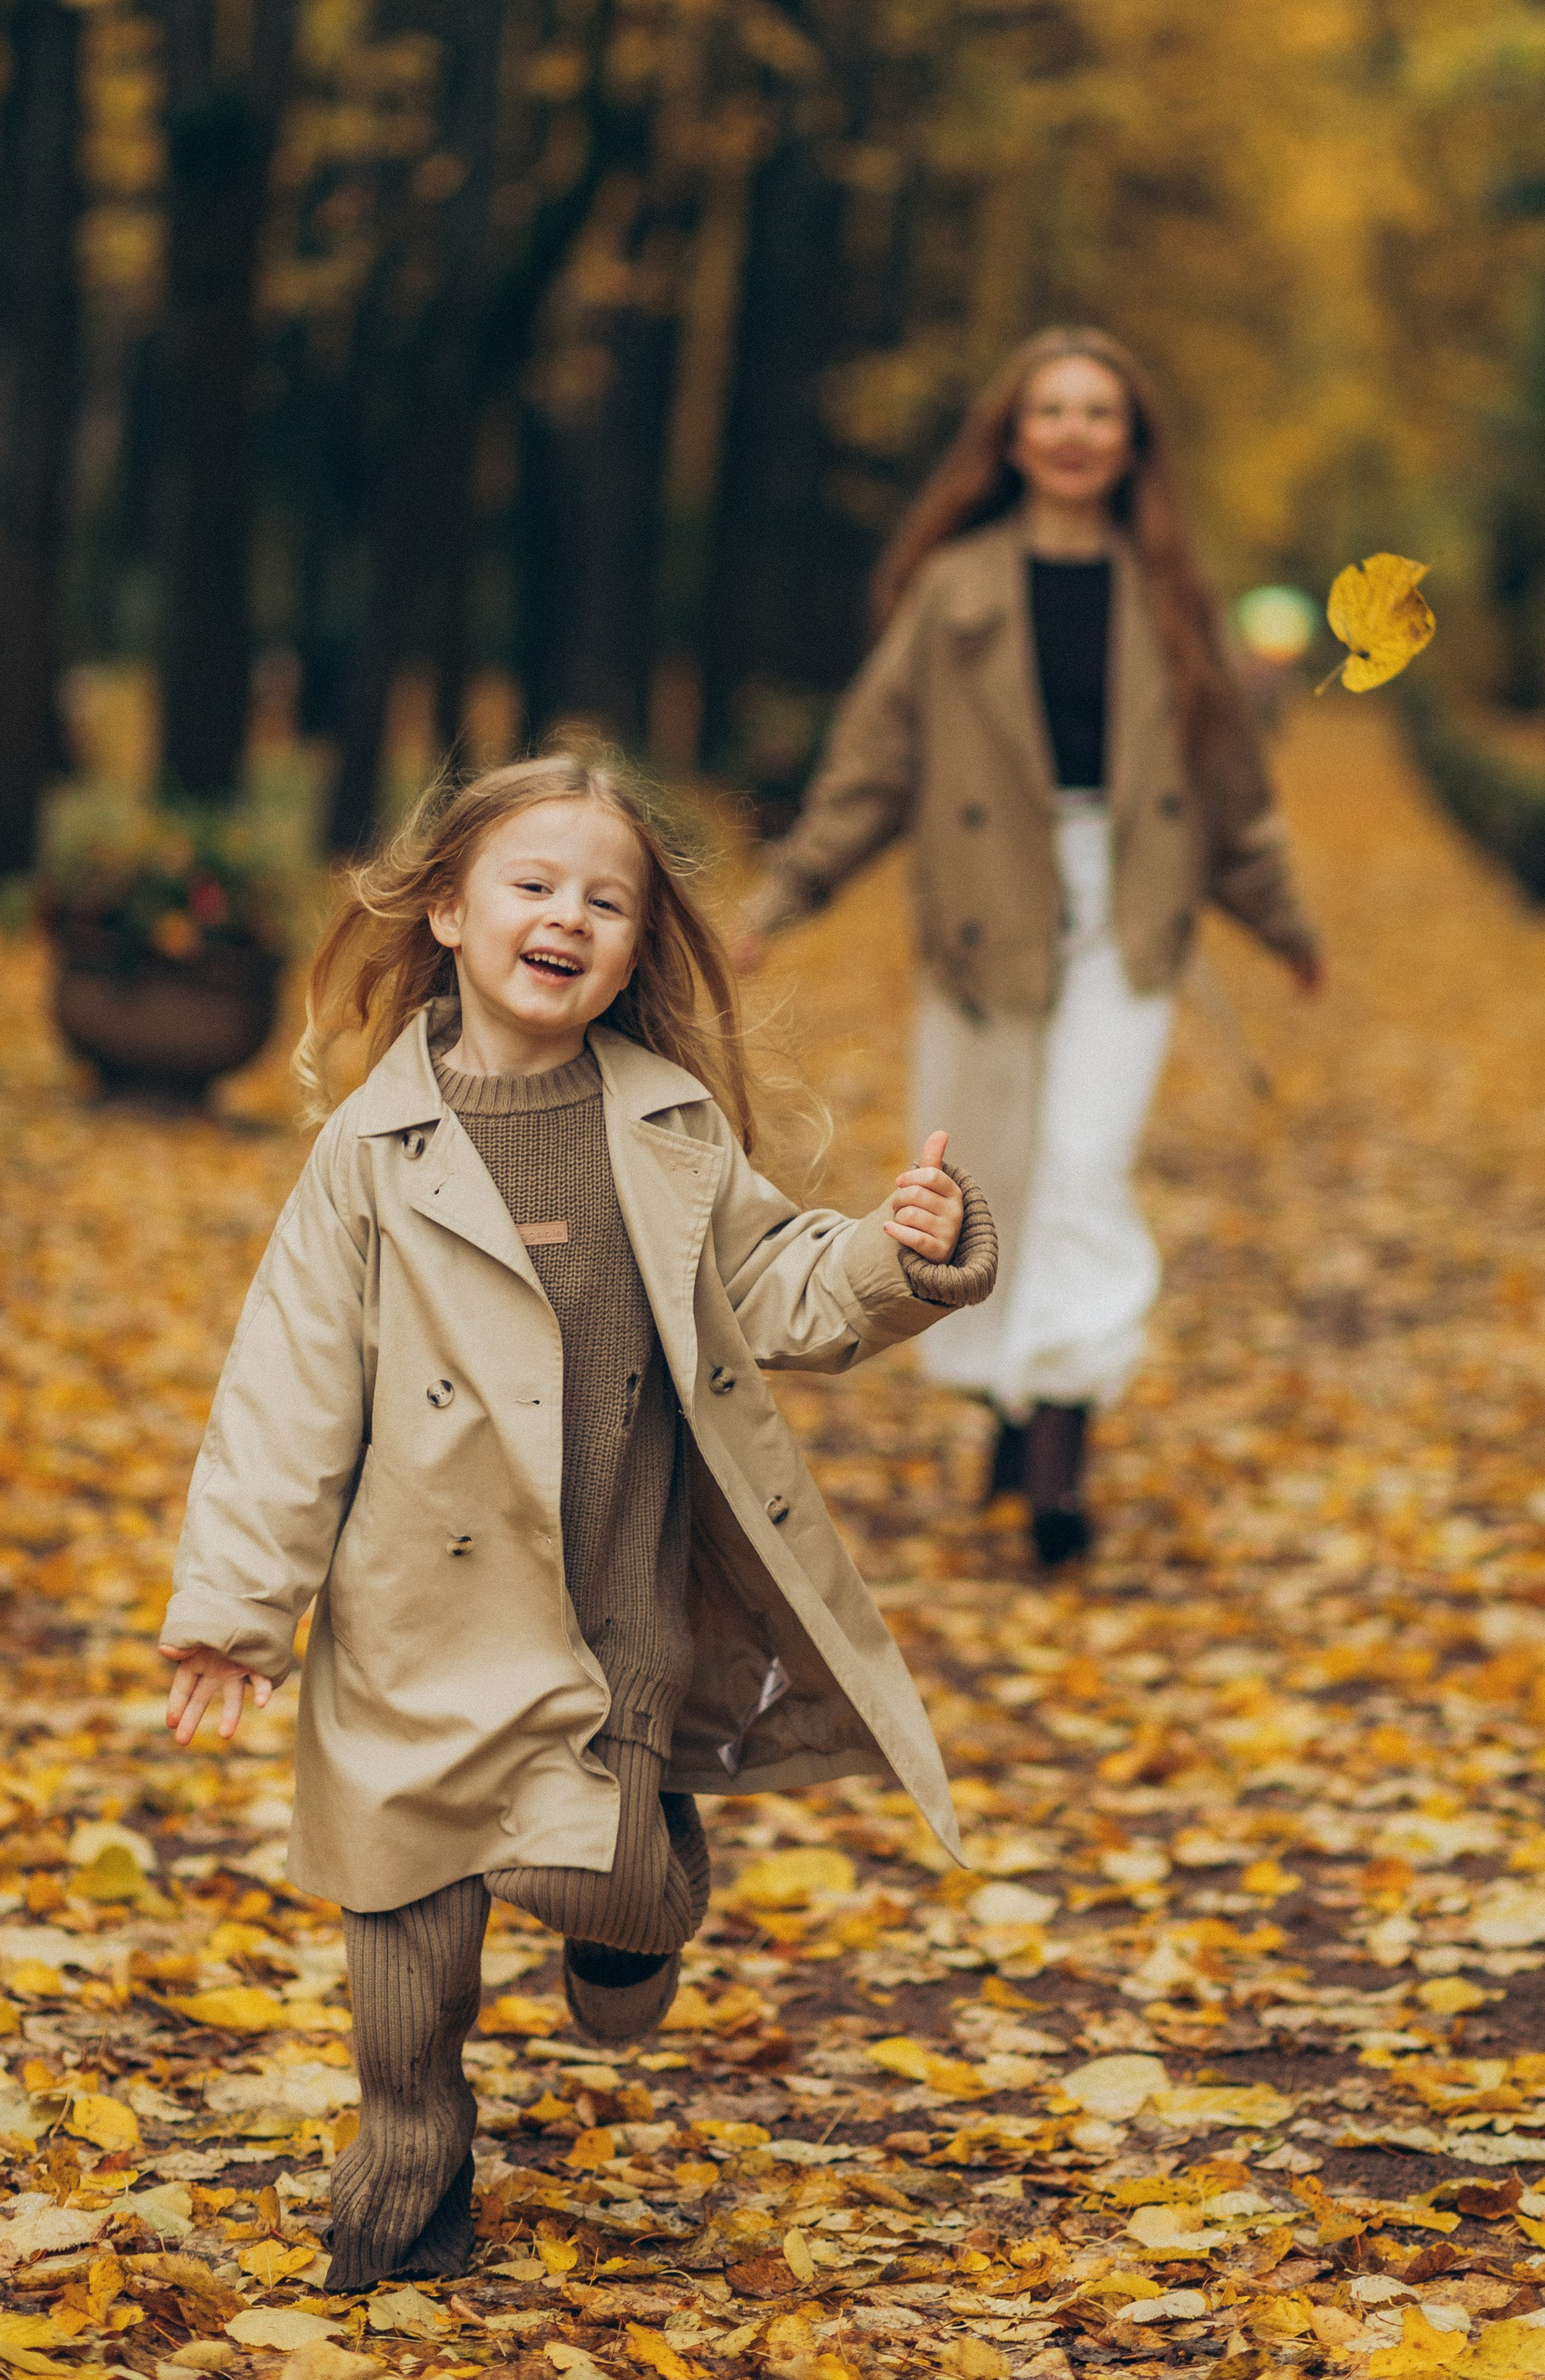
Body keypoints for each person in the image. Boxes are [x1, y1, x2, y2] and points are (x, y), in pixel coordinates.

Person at [157, 754, 996, 2291]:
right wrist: (234, 1606)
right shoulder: (368, 1155)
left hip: (608, 1607)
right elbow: (284, 1385)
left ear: (635, 945)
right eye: (533, 885)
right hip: (415, 1616)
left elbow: (780, 1292)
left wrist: (904, 1254)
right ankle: (411, 2176)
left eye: (606, 900)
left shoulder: (665, 1127)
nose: (567, 917)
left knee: (616, 1873)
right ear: (451, 911)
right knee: (405, 1942)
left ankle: (644, 1912)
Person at [737, 327, 1319, 1569]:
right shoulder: (956, 591)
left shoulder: (1168, 592)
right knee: (991, 1166)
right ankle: (1004, 1395)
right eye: (1049, 410)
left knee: (1085, 1157)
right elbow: (873, 765)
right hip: (986, 899)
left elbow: (1229, 783)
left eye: (1098, 411)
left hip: (1133, 897)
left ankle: (1060, 1422)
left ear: (1131, 444)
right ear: (1010, 439)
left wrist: (1283, 923)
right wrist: (785, 899)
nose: (1072, 430)